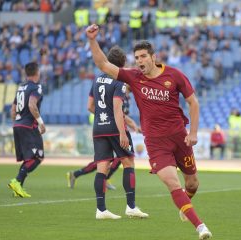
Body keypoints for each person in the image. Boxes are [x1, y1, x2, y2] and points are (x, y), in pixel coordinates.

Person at [86, 24, 212, 239]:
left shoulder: (175, 75)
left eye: (143, 56)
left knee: (192, 183)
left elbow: (194, 103)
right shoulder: (133, 77)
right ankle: (201, 227)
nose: (140, 61)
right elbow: (103, 64)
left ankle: (186, 205)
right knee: (173, 183)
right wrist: (92, 40)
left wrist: (193, 133)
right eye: (137, 57)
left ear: (153, 57)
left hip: (180, 138)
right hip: (155, 142)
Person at [85, 46, 148, 219]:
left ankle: (101, 210)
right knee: (128, 162)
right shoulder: (118, 81)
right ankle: (131, 207)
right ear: (121, 65)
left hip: (98, 128)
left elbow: (90, 106)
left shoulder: (97, 80)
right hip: (115, 127)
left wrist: (101, 117)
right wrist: (122, 132)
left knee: (101, 168)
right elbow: (117, 108)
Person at [67, 84, 141, 191]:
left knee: (106, 160)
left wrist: (132, 125)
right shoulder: (118, 90)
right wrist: (132, 124)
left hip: (112, 127)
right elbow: (114, 112)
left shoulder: (126, 98)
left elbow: (122, 116)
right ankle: (104, 179)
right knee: (114, 158)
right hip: (108, 127)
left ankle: (76, 174)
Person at [8, 62, 46, 198]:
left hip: (17, 125)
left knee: (27, 158)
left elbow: (12, 109)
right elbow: (32, 105)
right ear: (37, 72)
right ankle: (17, 181)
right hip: (29, 126)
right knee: (37, 157)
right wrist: (41, 123)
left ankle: (18, 189)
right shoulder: (36, 87)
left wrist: (17, 122)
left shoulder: (21, 88)